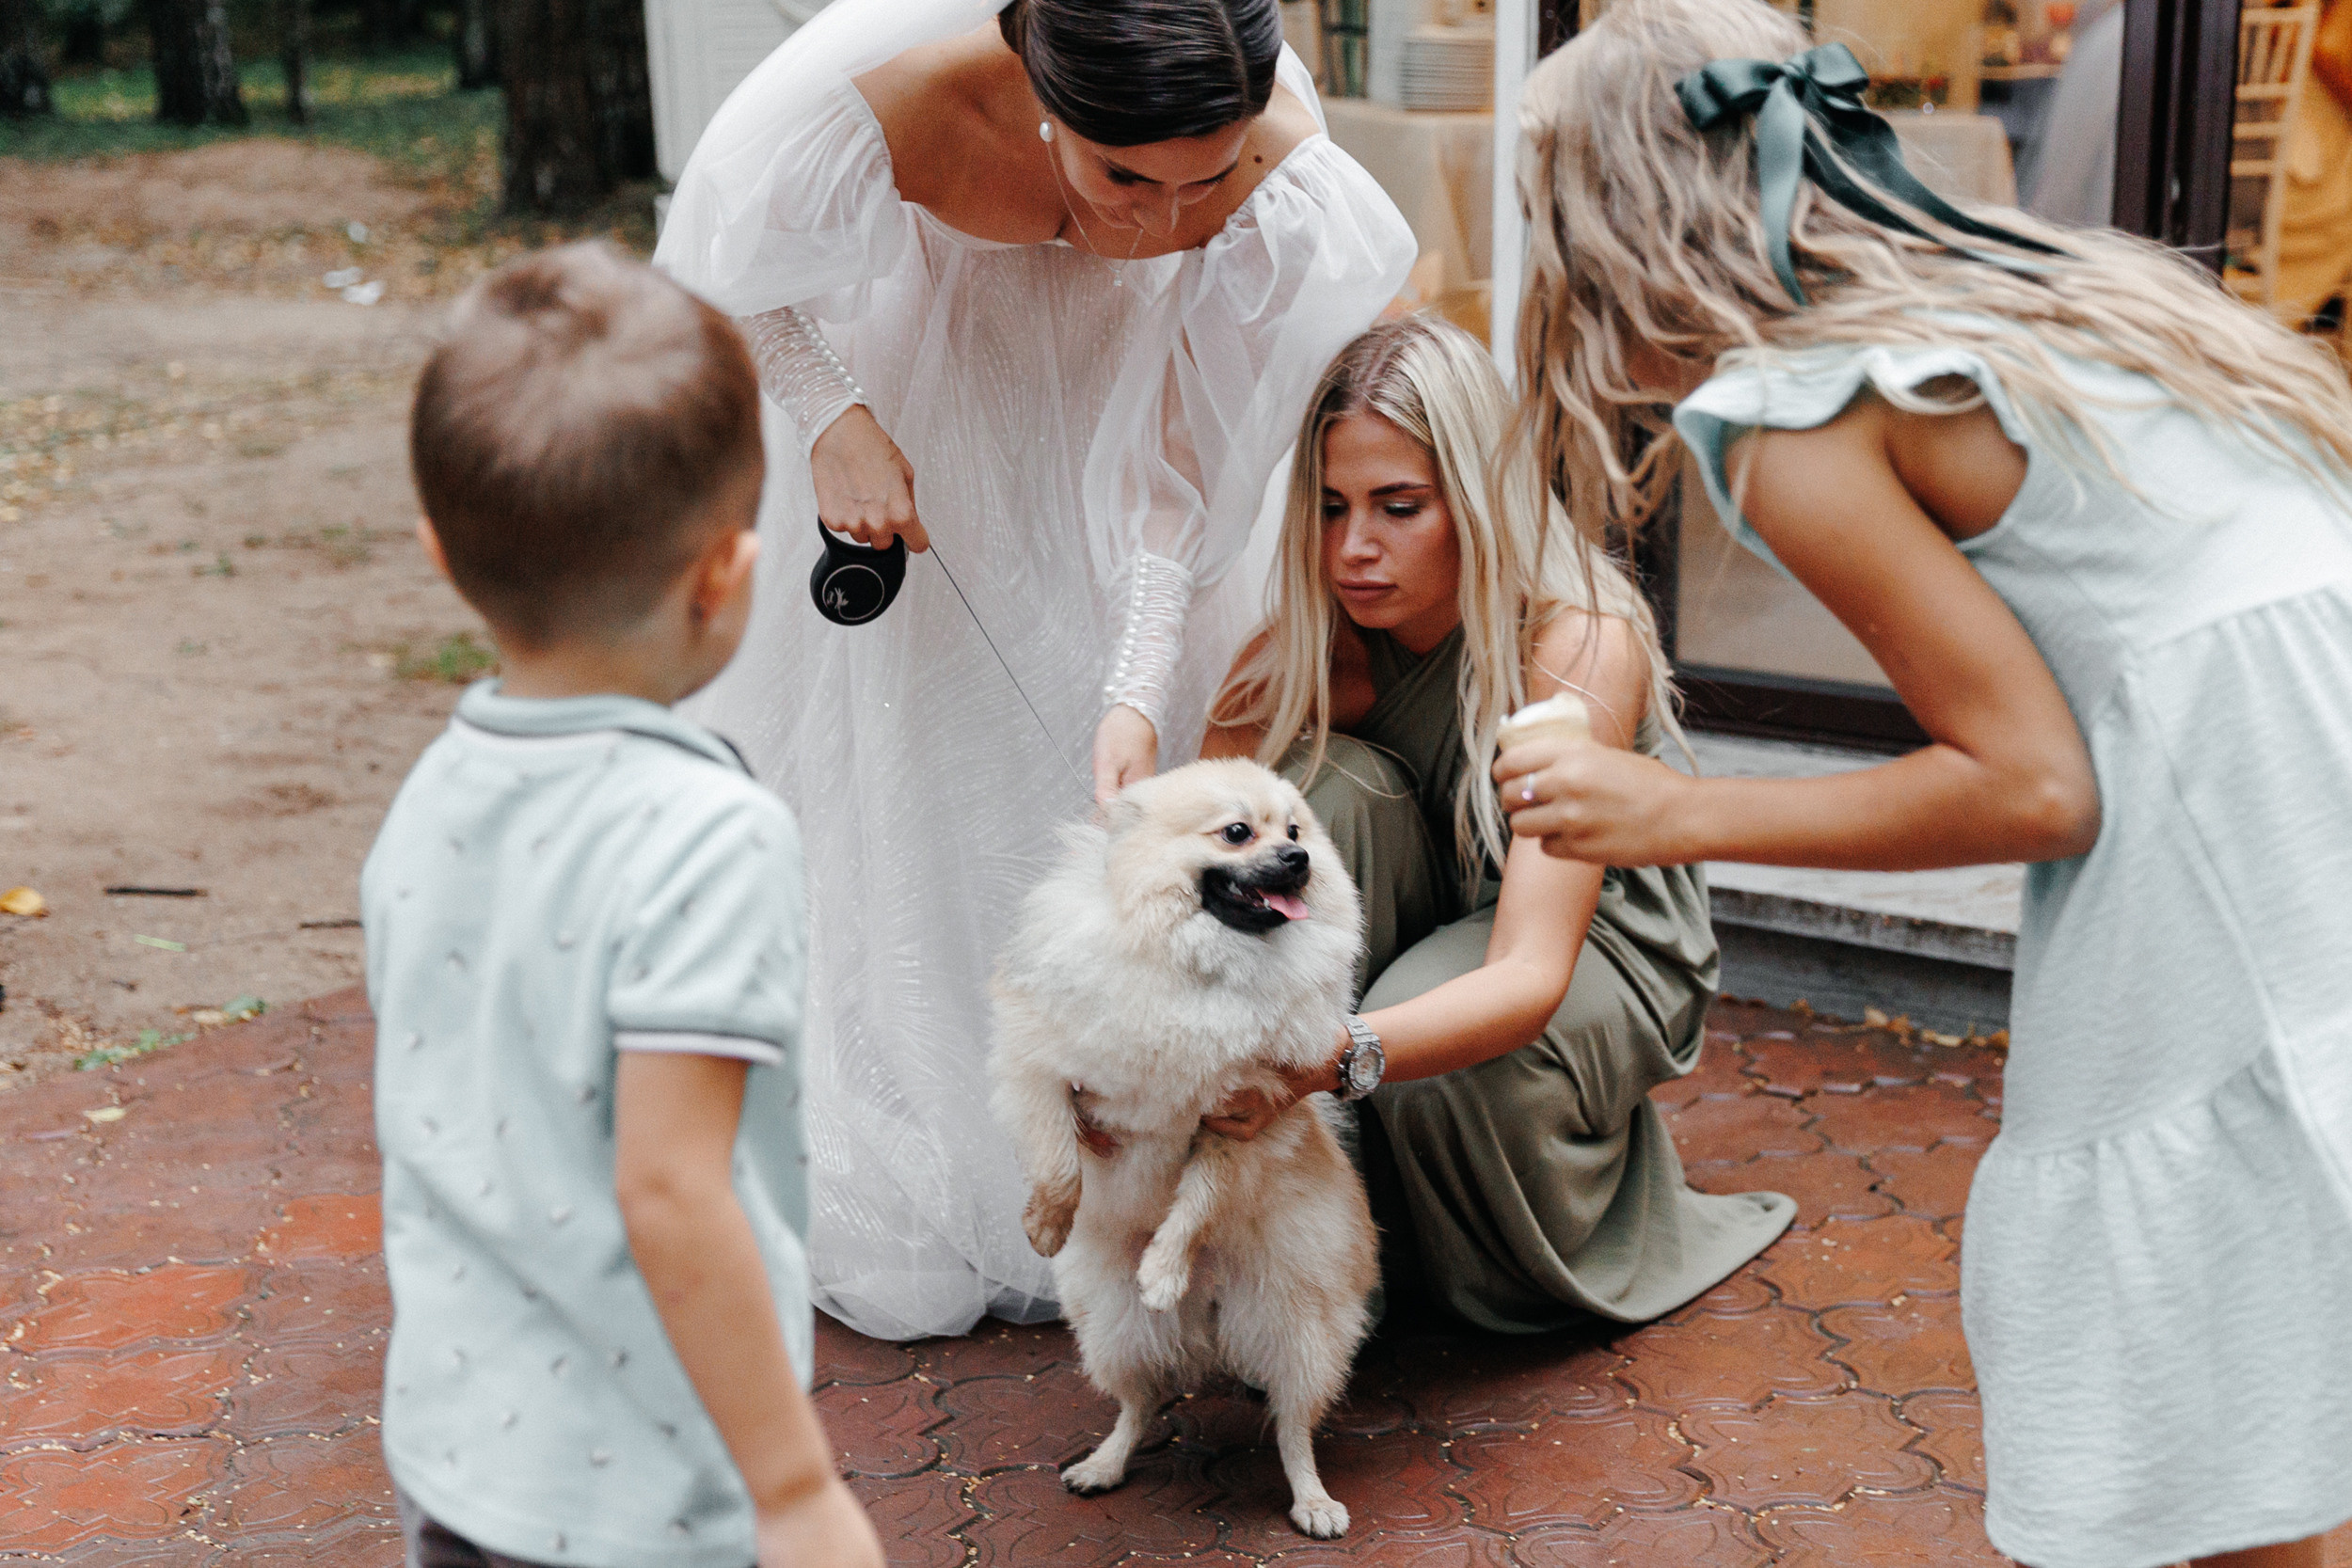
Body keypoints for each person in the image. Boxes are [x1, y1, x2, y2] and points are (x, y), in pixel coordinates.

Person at [1495, 3, 2352, 1564]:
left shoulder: (1786, 414)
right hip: (2314, 729)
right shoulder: (2030, 286)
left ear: (1601, 226)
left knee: (2174, 1341)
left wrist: (1672, 811)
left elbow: (2033, 787)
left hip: (2228, 795)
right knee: (2262, 1296)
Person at [653, 0, 1416, 1338]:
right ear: (1043, 102)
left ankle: (1151, 1145)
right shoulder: (875, 91)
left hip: (1126, 409)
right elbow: (728, 265)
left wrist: (1134, 681)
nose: (1160, 221)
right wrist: (832, 415)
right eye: (1124, 178)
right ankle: (935, 1135)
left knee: (1122, 749)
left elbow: (1173, 484)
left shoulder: (1283, 164)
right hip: (923, 390)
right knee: (928, 759)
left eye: (1209, 180)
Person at [364, 244, 882, 1568]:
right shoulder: (711, 834)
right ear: (724, 576)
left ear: (437, 551)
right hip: (642, 1491)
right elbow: (668, 1184)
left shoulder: (431, 791)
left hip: (460, 1456)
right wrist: (795, 1487)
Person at [1196, 315, 1794, 1332]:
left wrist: (1324, 1059)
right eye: (1332, 507)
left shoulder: (1573, 646)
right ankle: (1318, 1242)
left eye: (1398, 506)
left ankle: (1466, 1260)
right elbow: (1189, 877)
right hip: (1433, 911)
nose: (1354, 548)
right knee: (1306, 796)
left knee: (1429, 1063)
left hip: (1592, 938)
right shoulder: (1309, 653)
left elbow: (1525, 970)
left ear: (1478, 497)